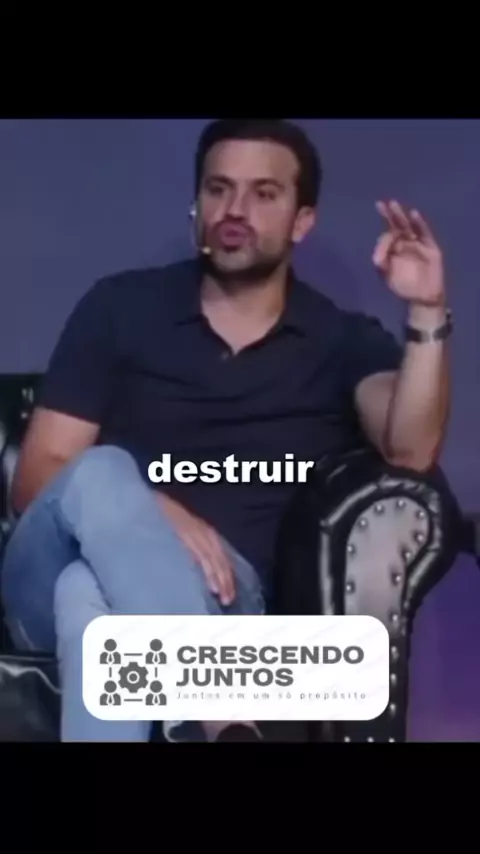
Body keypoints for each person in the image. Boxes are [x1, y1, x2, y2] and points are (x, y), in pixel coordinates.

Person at [0, 118, 451, 743]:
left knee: (94, 601)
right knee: (101, 475)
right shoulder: (119, 309)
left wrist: (426, 310)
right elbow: (35, 482)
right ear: (197, 204)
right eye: (218, 188)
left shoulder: (339, 341)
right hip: (43, 584)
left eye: (264, 193)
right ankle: (219, 711)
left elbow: (412, 449)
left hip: (227, 596)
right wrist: (153, 512)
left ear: (302, 221)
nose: (235, 210)